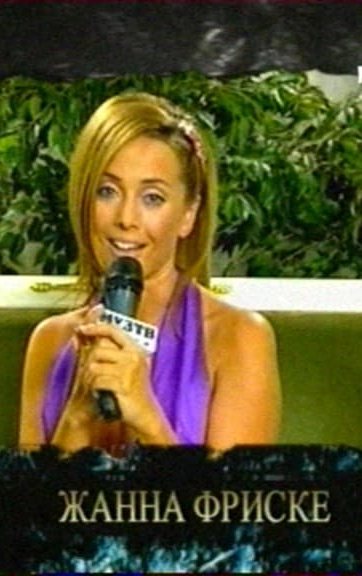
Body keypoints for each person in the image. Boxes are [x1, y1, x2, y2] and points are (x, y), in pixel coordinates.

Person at [19, 92, 281, 453]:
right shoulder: (49, 341)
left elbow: (232, 493)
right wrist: (78, 415)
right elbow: (32, 492)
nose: (126, 218)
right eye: (107, 191)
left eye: (152, 198)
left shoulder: (240, 338)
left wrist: (146, 418)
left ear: (188, 214)